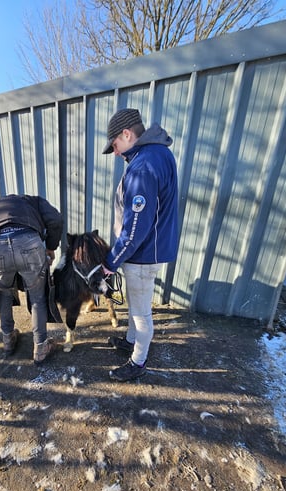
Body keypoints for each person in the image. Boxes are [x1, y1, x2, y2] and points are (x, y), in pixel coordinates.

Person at [100, 108, 180, 381]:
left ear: (126, 134)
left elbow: (135, 227)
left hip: (142, 254)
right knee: (135, 305)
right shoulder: (156, 155)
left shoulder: (144, 165)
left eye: (115, 145)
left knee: (141, 312)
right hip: (145, 251)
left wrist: (112, 261)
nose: (115, 152)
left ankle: (138, 361)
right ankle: (131, 341)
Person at [0, 194, 63, 365]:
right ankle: (41, 347)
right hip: (27, 241)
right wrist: (51, 247)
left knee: (4, 293)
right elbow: (55, 219)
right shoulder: (34, 201)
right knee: (38, 296)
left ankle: (8, 339)